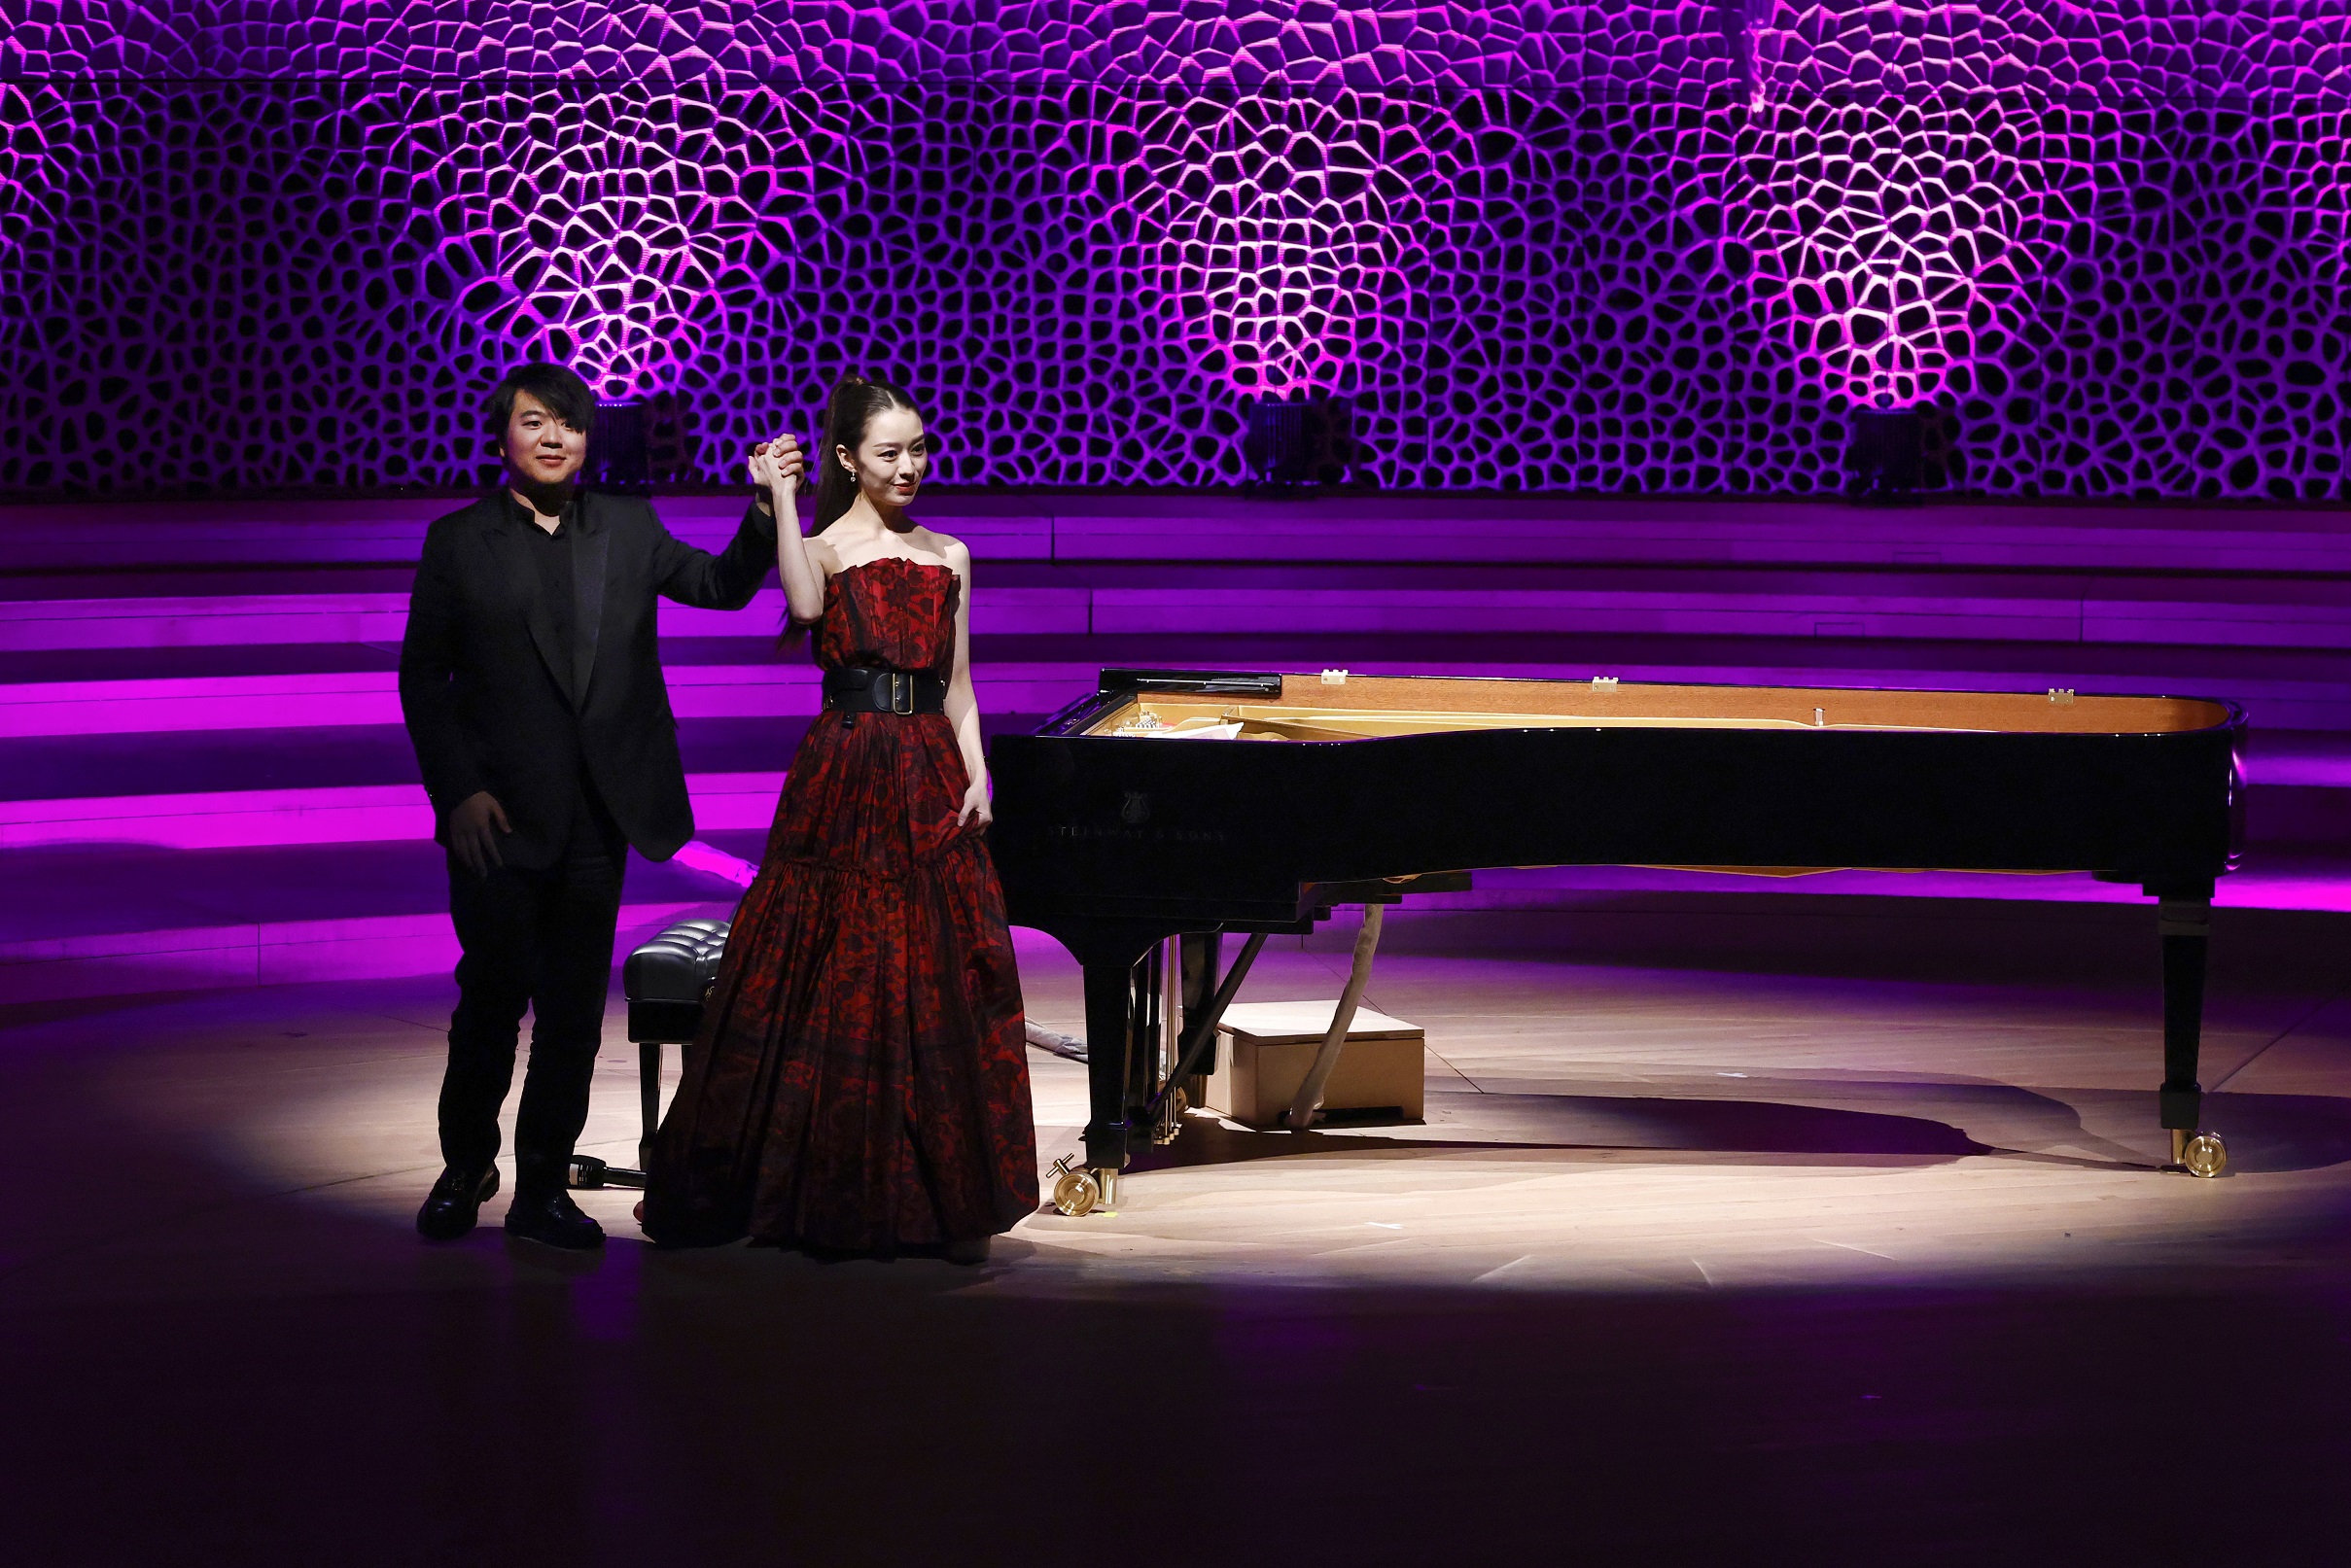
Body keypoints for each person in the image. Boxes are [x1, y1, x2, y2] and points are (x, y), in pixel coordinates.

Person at [642, 374, 1037, 1264]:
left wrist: (980, 773)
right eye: (889, 452)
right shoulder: (821, 548)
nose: (909, 466)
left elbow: (958, 683)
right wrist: (781, 498)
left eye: (918, 448)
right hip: (848, 766)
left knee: (936, 969)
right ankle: (820, 1187)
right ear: (849, 459)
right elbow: (806, 606)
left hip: (929, 764)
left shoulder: (951, 553)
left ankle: (948, 1198)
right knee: (837, 964)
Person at [402, 363, 779, 1249]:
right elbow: (423, 678)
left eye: (569, 424)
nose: (553, 437)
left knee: (572, 1015)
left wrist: (765, 510)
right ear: (504, 435)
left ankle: (542, 1188)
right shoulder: (457, 541)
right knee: (491, 1001)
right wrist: (458, 793)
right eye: (535, 421)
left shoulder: (628, 525)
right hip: (497, 821)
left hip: (597, 817)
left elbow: (721, 586)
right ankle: (465, 1168)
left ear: (585, 439)